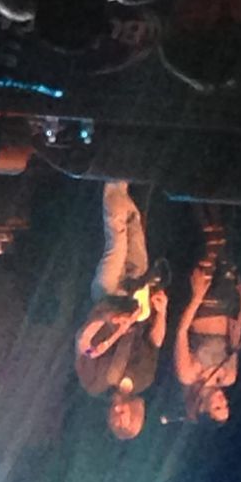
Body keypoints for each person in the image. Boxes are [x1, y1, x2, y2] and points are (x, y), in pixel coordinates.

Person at [75, 182, 166, 440]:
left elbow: (82, 342)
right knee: (134, 227)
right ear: (136, 412)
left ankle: (114, 177)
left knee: (116, 240)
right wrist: (162, 312)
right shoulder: (144, 379)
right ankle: (123, 182)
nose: (117, 410)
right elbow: (154, 342)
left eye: (114, 417)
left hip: (107, 297)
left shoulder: (94, 385)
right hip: (137, 298)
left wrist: (106, 318)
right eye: (124, 414)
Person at [173, 209, 241, 424]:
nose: (223, 401)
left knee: (211, 241)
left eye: (217, 407)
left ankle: (199, 199)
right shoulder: (229, 377)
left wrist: (196, 297)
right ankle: (218, 199)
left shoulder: (188, 375)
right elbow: (235, 336)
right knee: (223, 244)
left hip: (202, 306)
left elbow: (181, 332)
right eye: (226, 405)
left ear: (202, 408)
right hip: (226, 306)